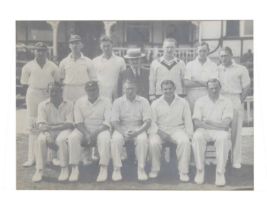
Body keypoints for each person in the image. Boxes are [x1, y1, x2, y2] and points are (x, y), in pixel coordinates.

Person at [20, 42, 59, 167]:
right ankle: (31, 158)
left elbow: (57, 82)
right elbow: (24, 84)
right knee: (33, 127)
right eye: (38, 50)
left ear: (47, 52)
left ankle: (50, 158)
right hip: (33, 94)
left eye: (43, 50)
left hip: (48, 94)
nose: (40, 52)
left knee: (49, 124)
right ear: (34, 51)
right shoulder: (28, 66)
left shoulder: (53, 66)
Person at [66, 81, 112, 182]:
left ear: (98, 90)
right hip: (84, 130)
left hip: (100, 129)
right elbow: (78, 122)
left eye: (94, 90)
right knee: (72, 137)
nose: (92, 92)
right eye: (89, 90)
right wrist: (87, 134)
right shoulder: (79, 101)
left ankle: (103, 168)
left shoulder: (106, 101)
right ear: (86, 91)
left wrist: (94, 134)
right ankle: (74, 168)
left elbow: (107, 121)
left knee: (105, 138)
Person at [149, 80, 193, 181]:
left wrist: (189, 136)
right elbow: (152, 123)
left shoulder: (183, 102)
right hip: (160, 130)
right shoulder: (155, 103)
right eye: (165, 89)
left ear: (174, 89)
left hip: (178, 129)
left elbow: (188, 121)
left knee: (185, 142)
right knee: (153, 143)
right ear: (161, 90)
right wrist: (161, 133)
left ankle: (183, 172)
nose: (168, 91)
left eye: (170, 89)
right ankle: (155, 169)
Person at [192, 79, 233, 186]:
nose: (214, 90)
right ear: (207, 89)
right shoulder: (200, 101)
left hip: (219, 132)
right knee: (197, 136)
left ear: (220, 88)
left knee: (224, 138)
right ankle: (200, 170)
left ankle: (220, 172)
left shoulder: (227, 101)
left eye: (216, 88)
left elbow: (226, 124)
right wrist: (217, 126)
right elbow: (197, 122)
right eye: (211, 88)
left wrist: (209, 121)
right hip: (205, 130)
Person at [111, 79, 152, 181]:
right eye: (127, 89)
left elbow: (147, 121)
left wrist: (137, 132)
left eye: (132, 89)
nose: (129, 91)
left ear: (136, 89)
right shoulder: (117, 102)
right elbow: (114, 122)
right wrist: (123, 132)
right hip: (122, 127)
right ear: (124, 89)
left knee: (142, 140)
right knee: (116, 140)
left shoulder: (144, 101)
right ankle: (116, 169)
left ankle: (141, 168)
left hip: (138, 127)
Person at [32, 82, 74, 182]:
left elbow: (69, 124)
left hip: (64, 130)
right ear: (48, 92)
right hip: (49, 131)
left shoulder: (70, 104)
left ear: (61, 91)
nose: (54, 93)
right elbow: (41, 124)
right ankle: (39, 170)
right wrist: (48, 135)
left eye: (56, 91)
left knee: (61, 139)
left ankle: (64, 168)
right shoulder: (42, 105)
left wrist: (50, 128)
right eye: (51, 91)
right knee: (41, 140)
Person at [217, 47, 251, 169]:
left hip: (235, 98)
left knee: (236, 132)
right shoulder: (217, 69)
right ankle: (223, 159)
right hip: (221, 101)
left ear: (231, 55)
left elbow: (247, 86)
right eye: (221, 56)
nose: (223, 58)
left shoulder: (241, 69)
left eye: (225, 55)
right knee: (222, 131)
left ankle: (236, 160)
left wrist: (239, 101)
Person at [59, 34, 97, 102]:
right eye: (72, 43)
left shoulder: (88, 61)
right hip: (68, 90)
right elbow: (61, 79)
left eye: (77, 43)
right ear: (69, 46)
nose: (74, 45)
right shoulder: (63, 62)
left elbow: (93, 79)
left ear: (81, 45)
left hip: (82, 90)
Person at [184, 42, 218, 111]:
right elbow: (186, 83)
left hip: (207, 95)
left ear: (208, 51)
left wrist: (196, 80)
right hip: (192, 96)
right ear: (197, 51)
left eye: (204, 51)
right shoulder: (190, 64)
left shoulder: (213, 65)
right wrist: (205, 83)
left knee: (206, 119)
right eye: (200, 51)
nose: (202, 53)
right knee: (193, 118)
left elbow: (213, 84)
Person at [93, 35, 126, 101]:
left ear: (112, 45)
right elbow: (93, 79)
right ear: (100, 47)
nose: (106, 48)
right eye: (104, 46)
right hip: (100, 95)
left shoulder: (120, 60)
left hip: (115, 95)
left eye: (108, 46)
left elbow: (123, 79)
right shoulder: (95, 61)